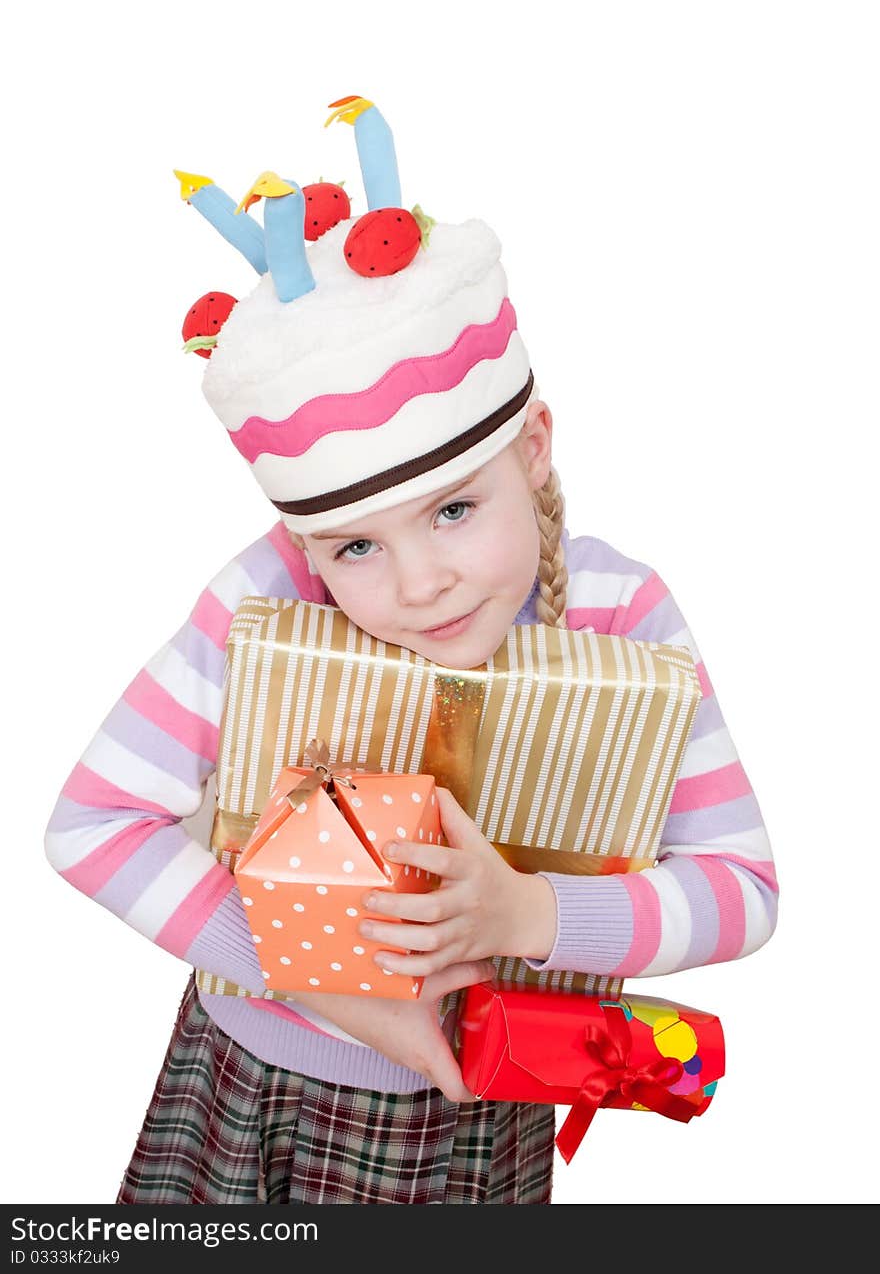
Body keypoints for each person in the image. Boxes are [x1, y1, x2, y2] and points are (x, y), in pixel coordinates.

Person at [43, 97, 778, 1205]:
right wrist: (345, 996)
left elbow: (744, 889)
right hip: (258, 1087)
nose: (419, 583)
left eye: (450, 511)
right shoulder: (262, 603)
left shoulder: (624, 613)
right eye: (354, 545)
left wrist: (528, 917)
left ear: (531, 449)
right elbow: (92, 825)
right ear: (304, 544)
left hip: (487, 1114)